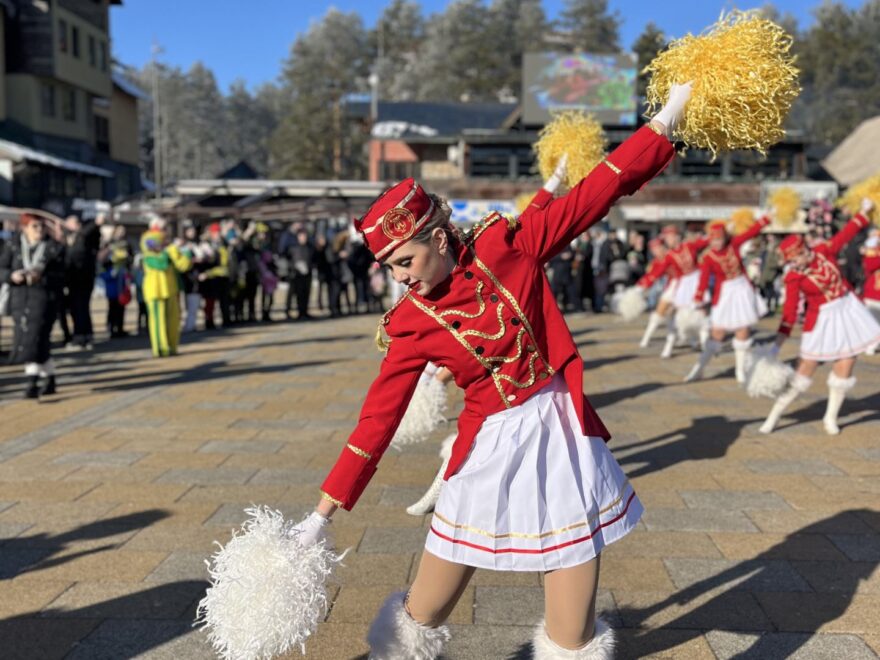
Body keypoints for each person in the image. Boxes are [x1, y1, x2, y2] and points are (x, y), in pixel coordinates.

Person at [287, 84, 690, 659]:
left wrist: (664, 124)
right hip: (488, 451)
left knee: (573, 634)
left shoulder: (509, 248)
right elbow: (377, 419)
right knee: (419, 616)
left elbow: (598, 193)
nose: (400, 276)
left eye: (405, 260)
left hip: (561, 435)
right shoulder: (409, 322)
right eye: (389, 266)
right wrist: (321, 515)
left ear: (438, 236)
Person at [759, 199, 880, 435]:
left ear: (805, 250)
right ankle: (774, 416)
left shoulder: (823, 251)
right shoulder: (793, 277)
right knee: (805, 371)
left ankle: (830, 418)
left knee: (846, 363)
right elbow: (790, 312)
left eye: (800, 255)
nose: (799, 261)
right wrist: (778, 344)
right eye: (794, 259)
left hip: (847, 310)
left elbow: (845, 234)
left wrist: (864, 211)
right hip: (821, 320)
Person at [684, 214, 770, 383]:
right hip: (724, 294)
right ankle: (698, 369)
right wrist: (698, 296)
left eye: (720, 239)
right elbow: (704, 278)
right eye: (713, 240)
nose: (717, 243)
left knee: (743, 330)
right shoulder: (708, 257)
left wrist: (765, 220)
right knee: (717, 333)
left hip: (742, 289)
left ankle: (740, 371)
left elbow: (751, 232)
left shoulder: (734, 245)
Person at [0, 213, 66, 398]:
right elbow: (2, 269)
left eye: (41, 227)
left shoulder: (53, 248)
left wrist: (42, 277)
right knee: (32, 339)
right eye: (35, 226)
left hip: (44, 299)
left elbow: (63, 275)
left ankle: (32, 382)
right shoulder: (13, 245)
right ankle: (50, 378)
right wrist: (12, 276)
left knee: (35, 339)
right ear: (25, 228)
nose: (39, 230)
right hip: (20, 299)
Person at [637, 225, 708, 358]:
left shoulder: (689, 245)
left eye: (670, 237)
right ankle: (670, 345)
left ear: (677, 237)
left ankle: (704, 346)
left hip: (697, 281)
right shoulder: (669, 255)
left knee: (700, 313)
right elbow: (658, 271)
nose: (668, 240)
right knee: (677, 315)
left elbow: (706, 242)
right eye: (666, 238)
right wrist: (642, 285)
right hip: (682, 285)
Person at [140, 229, 191, 357]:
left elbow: (183, 266)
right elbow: (161, 264)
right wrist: (172, 249)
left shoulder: (168, 252)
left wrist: (186, 251)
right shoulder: (148, 256)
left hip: (171, 291)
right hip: (156, 293)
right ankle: (160, 349)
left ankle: (172, 347)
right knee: (158, 323)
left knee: (173, 322)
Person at [64, 213, 104, 348]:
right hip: (72, 280)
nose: (78, 225)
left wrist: (96, 224)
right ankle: (82, 335)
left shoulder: (84, 238)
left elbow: (88, 233)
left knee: (82, 308)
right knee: (76, 309)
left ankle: (82, 336)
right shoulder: (68, 239)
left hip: (83, 279)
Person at [861, 228, 880, 355]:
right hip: (873, 293)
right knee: (872, 322)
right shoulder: (872, 250)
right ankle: (871, 345)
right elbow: (869, 265)